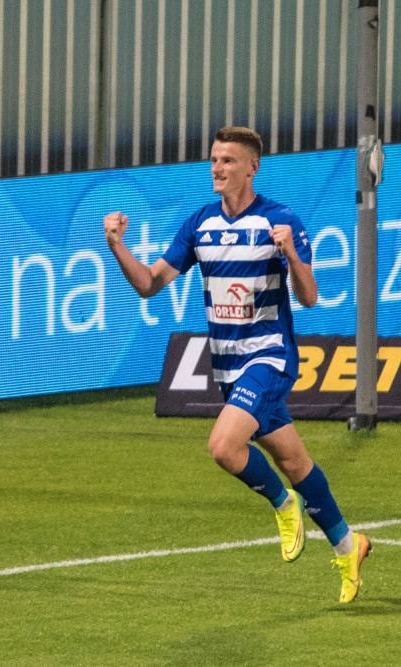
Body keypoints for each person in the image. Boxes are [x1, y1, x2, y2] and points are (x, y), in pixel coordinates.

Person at [103, 126, 370, 603]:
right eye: (214, 159)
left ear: (252, 167)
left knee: (224, 447)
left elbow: (310, 297)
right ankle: (350, 547)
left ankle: (283, 505)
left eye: (227, 160)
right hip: (227, 368)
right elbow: (148, 284)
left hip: (269, 358)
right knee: (293, 461)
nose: (217, 168)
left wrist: (291, 254)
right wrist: (117, 246)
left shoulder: (280, 220)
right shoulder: (200, 224)